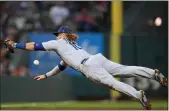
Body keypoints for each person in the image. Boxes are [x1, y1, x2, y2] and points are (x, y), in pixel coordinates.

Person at [4, 26, 168, 110]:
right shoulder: (71, 45)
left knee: (113, 83)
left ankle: (138, 95)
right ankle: (153, 73)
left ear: (62, 34)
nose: (56, 36)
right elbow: (61, 66)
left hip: (89, 66)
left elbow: (35, 46)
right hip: (96, 58)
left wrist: (15, 44)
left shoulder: (58, 43)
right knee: (125, 69)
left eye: (58, 34)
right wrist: (46, 75)